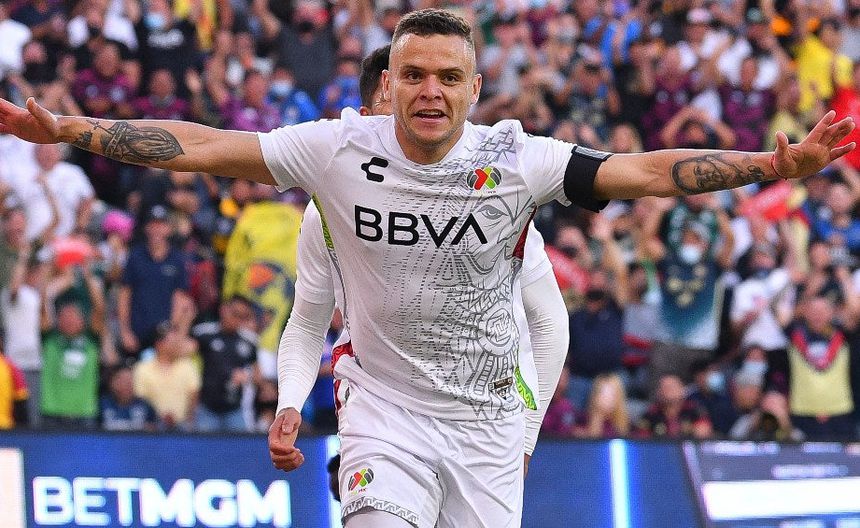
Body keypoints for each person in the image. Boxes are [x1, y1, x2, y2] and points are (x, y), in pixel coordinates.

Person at [0, 8, 854, 527]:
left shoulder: (516, 162)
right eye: (413, 74)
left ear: (476, 89)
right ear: (389, 83)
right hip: (384, 407)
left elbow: (647, 173)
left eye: (449, 76)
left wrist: (770, 166)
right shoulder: (336, 152)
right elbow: (203, 147)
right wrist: (71, 130)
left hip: (487, 422)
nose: (430, 91)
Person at [278, 42, 568, 483]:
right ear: (363, 119)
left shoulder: (493, 202)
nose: (406, 129)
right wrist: (289, 402)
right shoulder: (328, 212)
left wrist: (525, 439)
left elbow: (548, 322)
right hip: (382, 411)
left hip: (484, 417)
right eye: (391, 114)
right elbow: (306, 320)